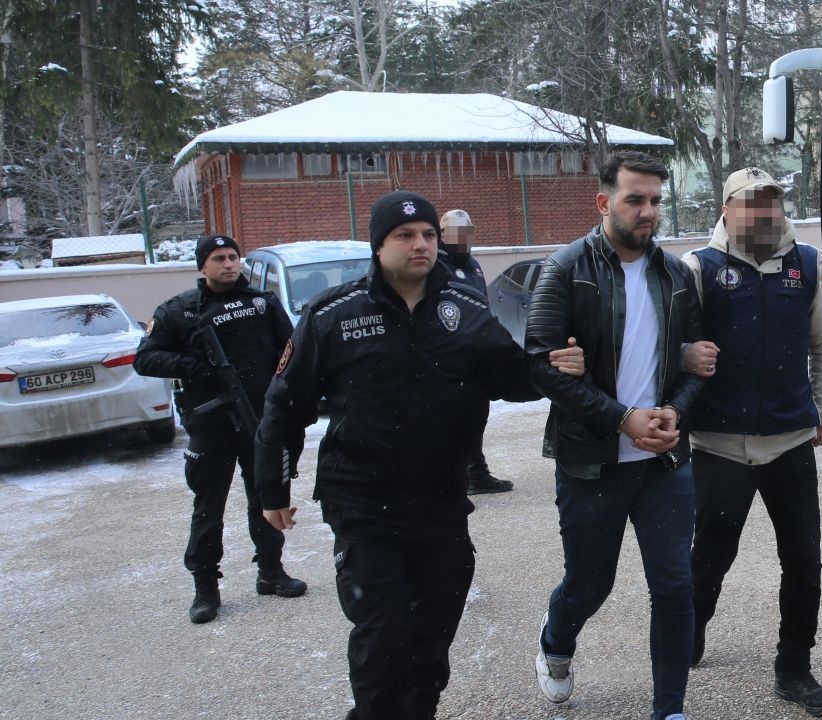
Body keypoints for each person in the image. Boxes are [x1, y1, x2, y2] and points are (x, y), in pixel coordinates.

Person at [253, 190, 584, 720]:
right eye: (405, 235)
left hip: (441, 501)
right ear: (378, 245)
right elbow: (285, 404)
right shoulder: (333, 313)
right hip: (362, 501)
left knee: (431, 643)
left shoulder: (466, 309)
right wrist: (273, 488)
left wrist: (553, 368)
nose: (421, 244)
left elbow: (510, 376)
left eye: (428, 234)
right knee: (382, 639)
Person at [525, 151, 706, 720]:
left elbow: (696, 364)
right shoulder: (565, 268)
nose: (648, 211)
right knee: (589, 584)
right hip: (592, 462)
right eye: (635, 199)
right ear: (604, 202)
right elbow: (540, 365)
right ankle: (555, 641)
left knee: (674, 587)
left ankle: (669, 710)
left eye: (656, 200)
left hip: (664, 464)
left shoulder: (676, 275)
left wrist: (674, 413)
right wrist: (621, 417)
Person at [681, 168, 822, 717]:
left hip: (789, 441)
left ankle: (794, 668)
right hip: (719, 443)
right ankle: (691, 631)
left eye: (771, 203)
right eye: (750, 204)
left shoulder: (808, 264)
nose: (763, 214)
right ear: (727, 211)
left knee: (803, 560)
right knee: (709, 558)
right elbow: (673, 345)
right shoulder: (698, 268)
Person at [134, 234, 307, 624]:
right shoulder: (179, 311)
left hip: (259, 420)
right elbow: (145, 358)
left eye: (233, 257)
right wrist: (195, 367)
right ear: (203, 266)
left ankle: (271, 571)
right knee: (208, 508)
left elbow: (291, 351)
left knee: (265, 499)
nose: (229, 264)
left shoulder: (262, 303)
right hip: (211, 425)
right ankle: (205, 587)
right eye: (218, 258)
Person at [438, 208, 513, 495]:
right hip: (450, 354)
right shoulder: (436, 266)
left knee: (476, 414)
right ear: (442, 235)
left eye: (467, 232)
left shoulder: (473, 264)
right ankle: (454, 476)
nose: (462, 238)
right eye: (455, 232)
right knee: (453, 418)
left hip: (477, 353)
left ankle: (476, 473)